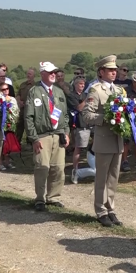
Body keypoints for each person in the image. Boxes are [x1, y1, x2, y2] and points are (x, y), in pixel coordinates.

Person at [82, 55, 126, 227]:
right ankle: (100, 210)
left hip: (118, 140)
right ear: (101, 72)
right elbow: (87, 115)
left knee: (113, 177)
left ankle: (110, 208)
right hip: (103, 139)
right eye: (110, 70)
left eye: (115, 70)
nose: (114, 73)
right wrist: (106, 118)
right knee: (102, 177)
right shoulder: (96, 90)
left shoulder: (120, 91)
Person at [25, 61, 69, 211]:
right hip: (42, 135)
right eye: (50, 72)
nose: (53, 75)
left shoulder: (58, 92)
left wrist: (66, 132)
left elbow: (65, 115)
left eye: (54, 72)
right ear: (42, 73)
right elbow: (28, 117)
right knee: (42, 168)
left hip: (58, 135)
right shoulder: (34, 91)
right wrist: (34, 138)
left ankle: (53, 197)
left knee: (58, 168)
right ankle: (40, 198)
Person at [68, 76, 90, 184]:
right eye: (80, 84)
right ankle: (75, 170)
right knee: (78, 148)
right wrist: (87, 100)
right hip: (79, 125)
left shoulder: (85, 95)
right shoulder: (71, 96)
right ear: (75, 85)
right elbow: (79, 108)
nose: (82, 86)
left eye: (83, 84)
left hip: (90, 124)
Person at [16, 67, 37, 145]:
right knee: (19, 126)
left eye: (30, 74)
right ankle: (17, 143)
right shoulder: (22, 84)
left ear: (33, 76)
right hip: (22, 109)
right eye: (27, 73)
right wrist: (19, 101)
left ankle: (30, 143)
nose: (28, 75)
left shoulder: (36, 86)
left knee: (30, 125)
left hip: (31, 110)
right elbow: (18, 94)